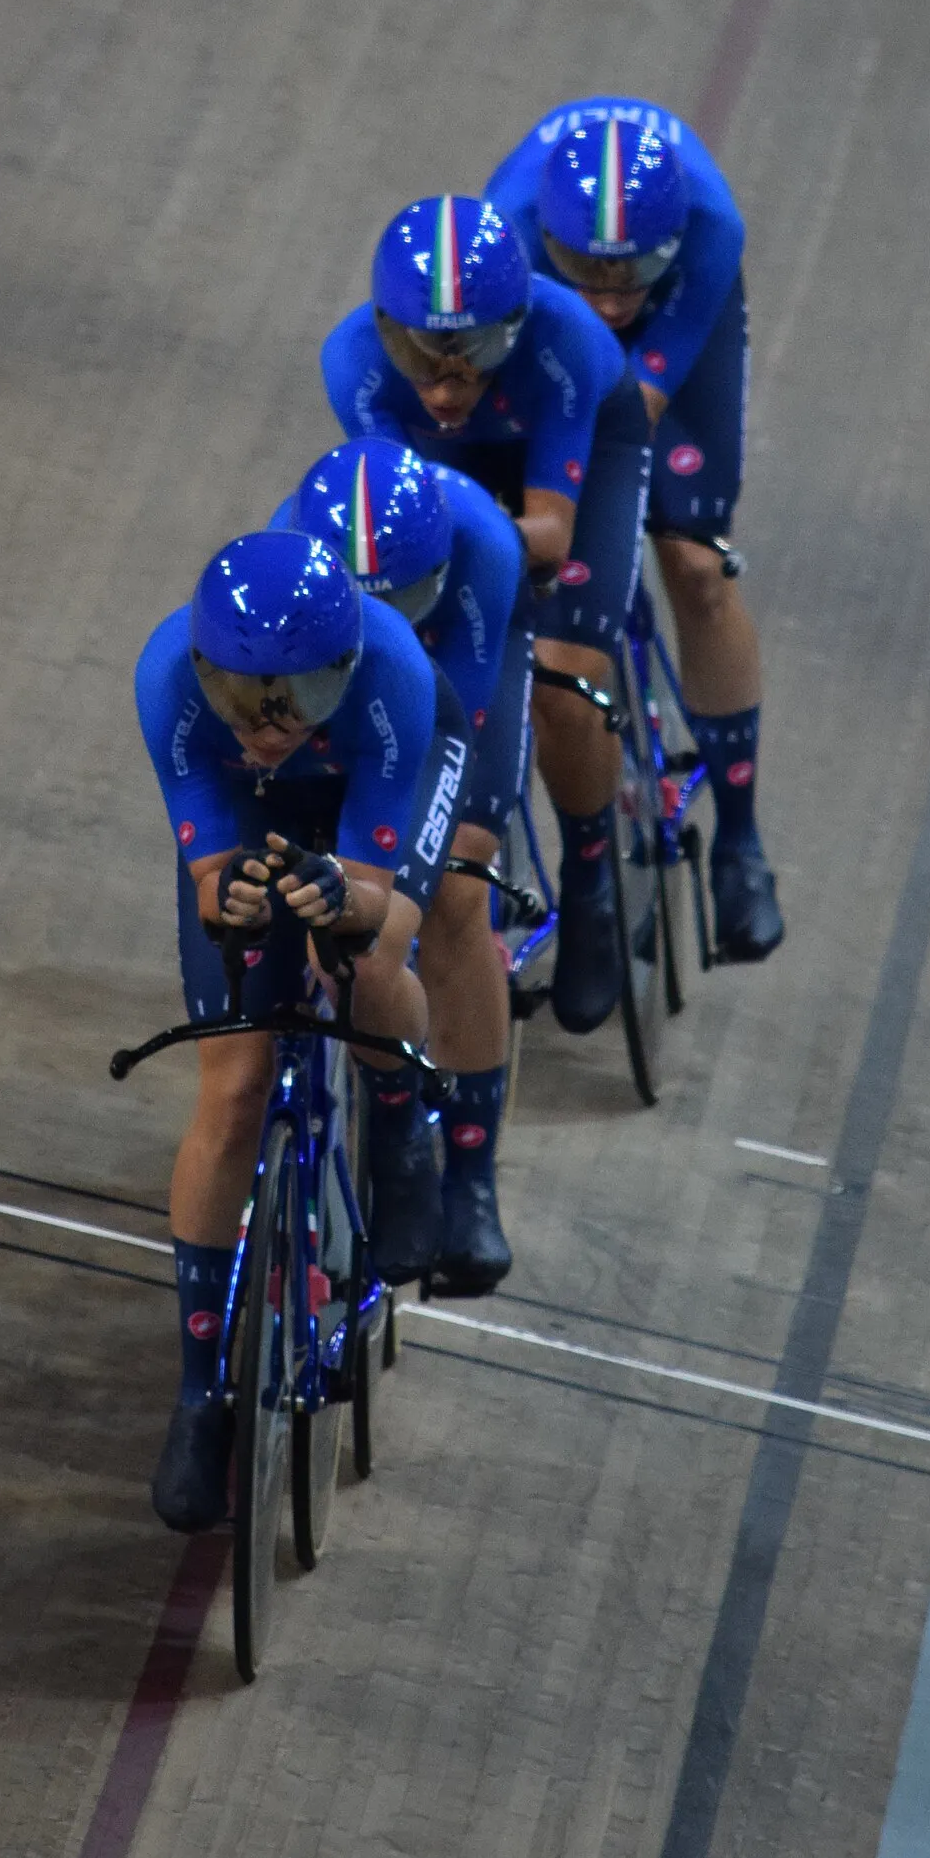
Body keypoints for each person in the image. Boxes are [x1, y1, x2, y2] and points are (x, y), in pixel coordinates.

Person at [133, 528, 468, 1531]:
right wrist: (227, 901)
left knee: (369, 959)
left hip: (372, 780)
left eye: (296, 698)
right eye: (244, 699)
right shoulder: (166, 682)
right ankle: (199, 1394)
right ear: (203, 668)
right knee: (232, 1091)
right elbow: (206, 878)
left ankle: (403, 1130)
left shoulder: (391, 677)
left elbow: (379, 903)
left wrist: (343, 900)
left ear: (343, 666)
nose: (271, 725)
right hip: (253, 813)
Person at [321, 195, 651, 1037]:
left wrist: (485, 550)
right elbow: (392, 523)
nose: (441, 384)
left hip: (567, 467)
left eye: (470, 356)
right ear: (385, 329)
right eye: (420, 357)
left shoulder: (565, 340)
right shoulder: (354, 362)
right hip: (447, 485)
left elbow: (549, 534)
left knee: (567, 684)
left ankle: (591, 887)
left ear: (515, 323)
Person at [486, 98, 782, 962]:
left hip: (684, 325)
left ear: (671, 241)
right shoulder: (509, 231)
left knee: (695, 566)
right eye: (589, 271)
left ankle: (741, 841)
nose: (612, 301)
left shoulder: (709, 226)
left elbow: (628, 411)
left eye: (630, 277)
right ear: (551, 238)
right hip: (539, 338)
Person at [274, 437, 529, 1295]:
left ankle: (470, 1179)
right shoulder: (292, 560)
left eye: (402, 599)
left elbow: (440, 732)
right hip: (330, 689)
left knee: (456, 884)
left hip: (440, 687)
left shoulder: (482, 555)